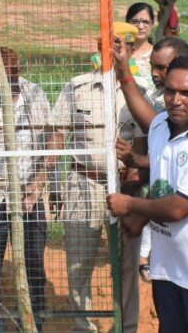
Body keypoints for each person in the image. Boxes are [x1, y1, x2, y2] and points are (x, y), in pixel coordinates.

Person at [107, 56, 188, 333]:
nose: (175, 99)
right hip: (167, 267)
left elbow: (178, 207)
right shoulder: (160, 127)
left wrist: (130, 205)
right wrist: (124, 76)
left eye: (187, 93)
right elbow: (162, 182)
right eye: (170, 91)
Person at [50, 22, 150, 333]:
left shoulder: (142, 92)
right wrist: (54, 185)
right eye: (111, 44)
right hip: (83, 183)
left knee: (126, 266)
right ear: (99, 47)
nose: (116, 51)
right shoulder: (77, 86)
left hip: (126, 186)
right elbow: (57, 135)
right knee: (79, 262)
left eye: (123, 45)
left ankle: (127, 327)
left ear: (132, 50)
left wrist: (136, 189)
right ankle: (83, 326)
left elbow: (148, 140)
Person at [0, 47, 50, 332]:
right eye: (0, 74)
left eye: (13, 72)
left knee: (33, 261)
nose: (9, 79)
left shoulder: (34, 95)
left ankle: (34, 320)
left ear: (20, 70)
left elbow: (46, 143)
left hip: (28, 194)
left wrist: (38, 186)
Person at [113, 36, 188, 283]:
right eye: (153, 67)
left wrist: (135, 210)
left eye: (162, 67)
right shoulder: (159, 102)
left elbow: (177, 165)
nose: (156, 74)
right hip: (165, 233)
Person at [126, 2, 155, 87]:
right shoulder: (119, 53)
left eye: (145, 22)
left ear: (152, 24)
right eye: (135, 22)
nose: (141, 27)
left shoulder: (158, 54)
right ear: (127, 23)